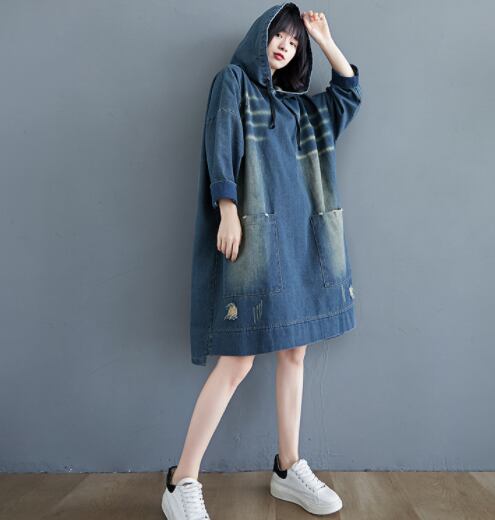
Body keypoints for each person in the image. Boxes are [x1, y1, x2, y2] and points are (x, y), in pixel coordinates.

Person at [162, 2, 362, 518]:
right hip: (254, 238)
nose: (285, 46)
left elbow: (348, 93)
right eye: (280, 35)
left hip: (300, 244)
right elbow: (220, 143)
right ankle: (181, 480)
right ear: (262, 35)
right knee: (238, 360)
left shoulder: (301, 109)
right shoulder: (233, 82)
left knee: (295, 353)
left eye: (294, 43)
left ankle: (287, 469)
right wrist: (227, 209)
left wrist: (325, 41)